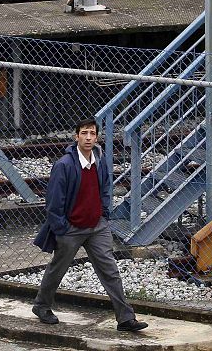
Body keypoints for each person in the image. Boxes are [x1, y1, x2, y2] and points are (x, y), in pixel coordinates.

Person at [32, 118, 148, 332]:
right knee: (58, 268)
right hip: (71, 228)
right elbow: (53, 202)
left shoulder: (99, 160)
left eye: (92, 133)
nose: (88, 137)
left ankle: (125, 318)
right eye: (84, 133)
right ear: (76, 136)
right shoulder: (64, 165)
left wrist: (103, 215)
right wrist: (62, 228)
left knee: (110, 271)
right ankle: (41, 305)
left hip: (97, 227)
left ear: (96, 137)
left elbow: (105, 188)